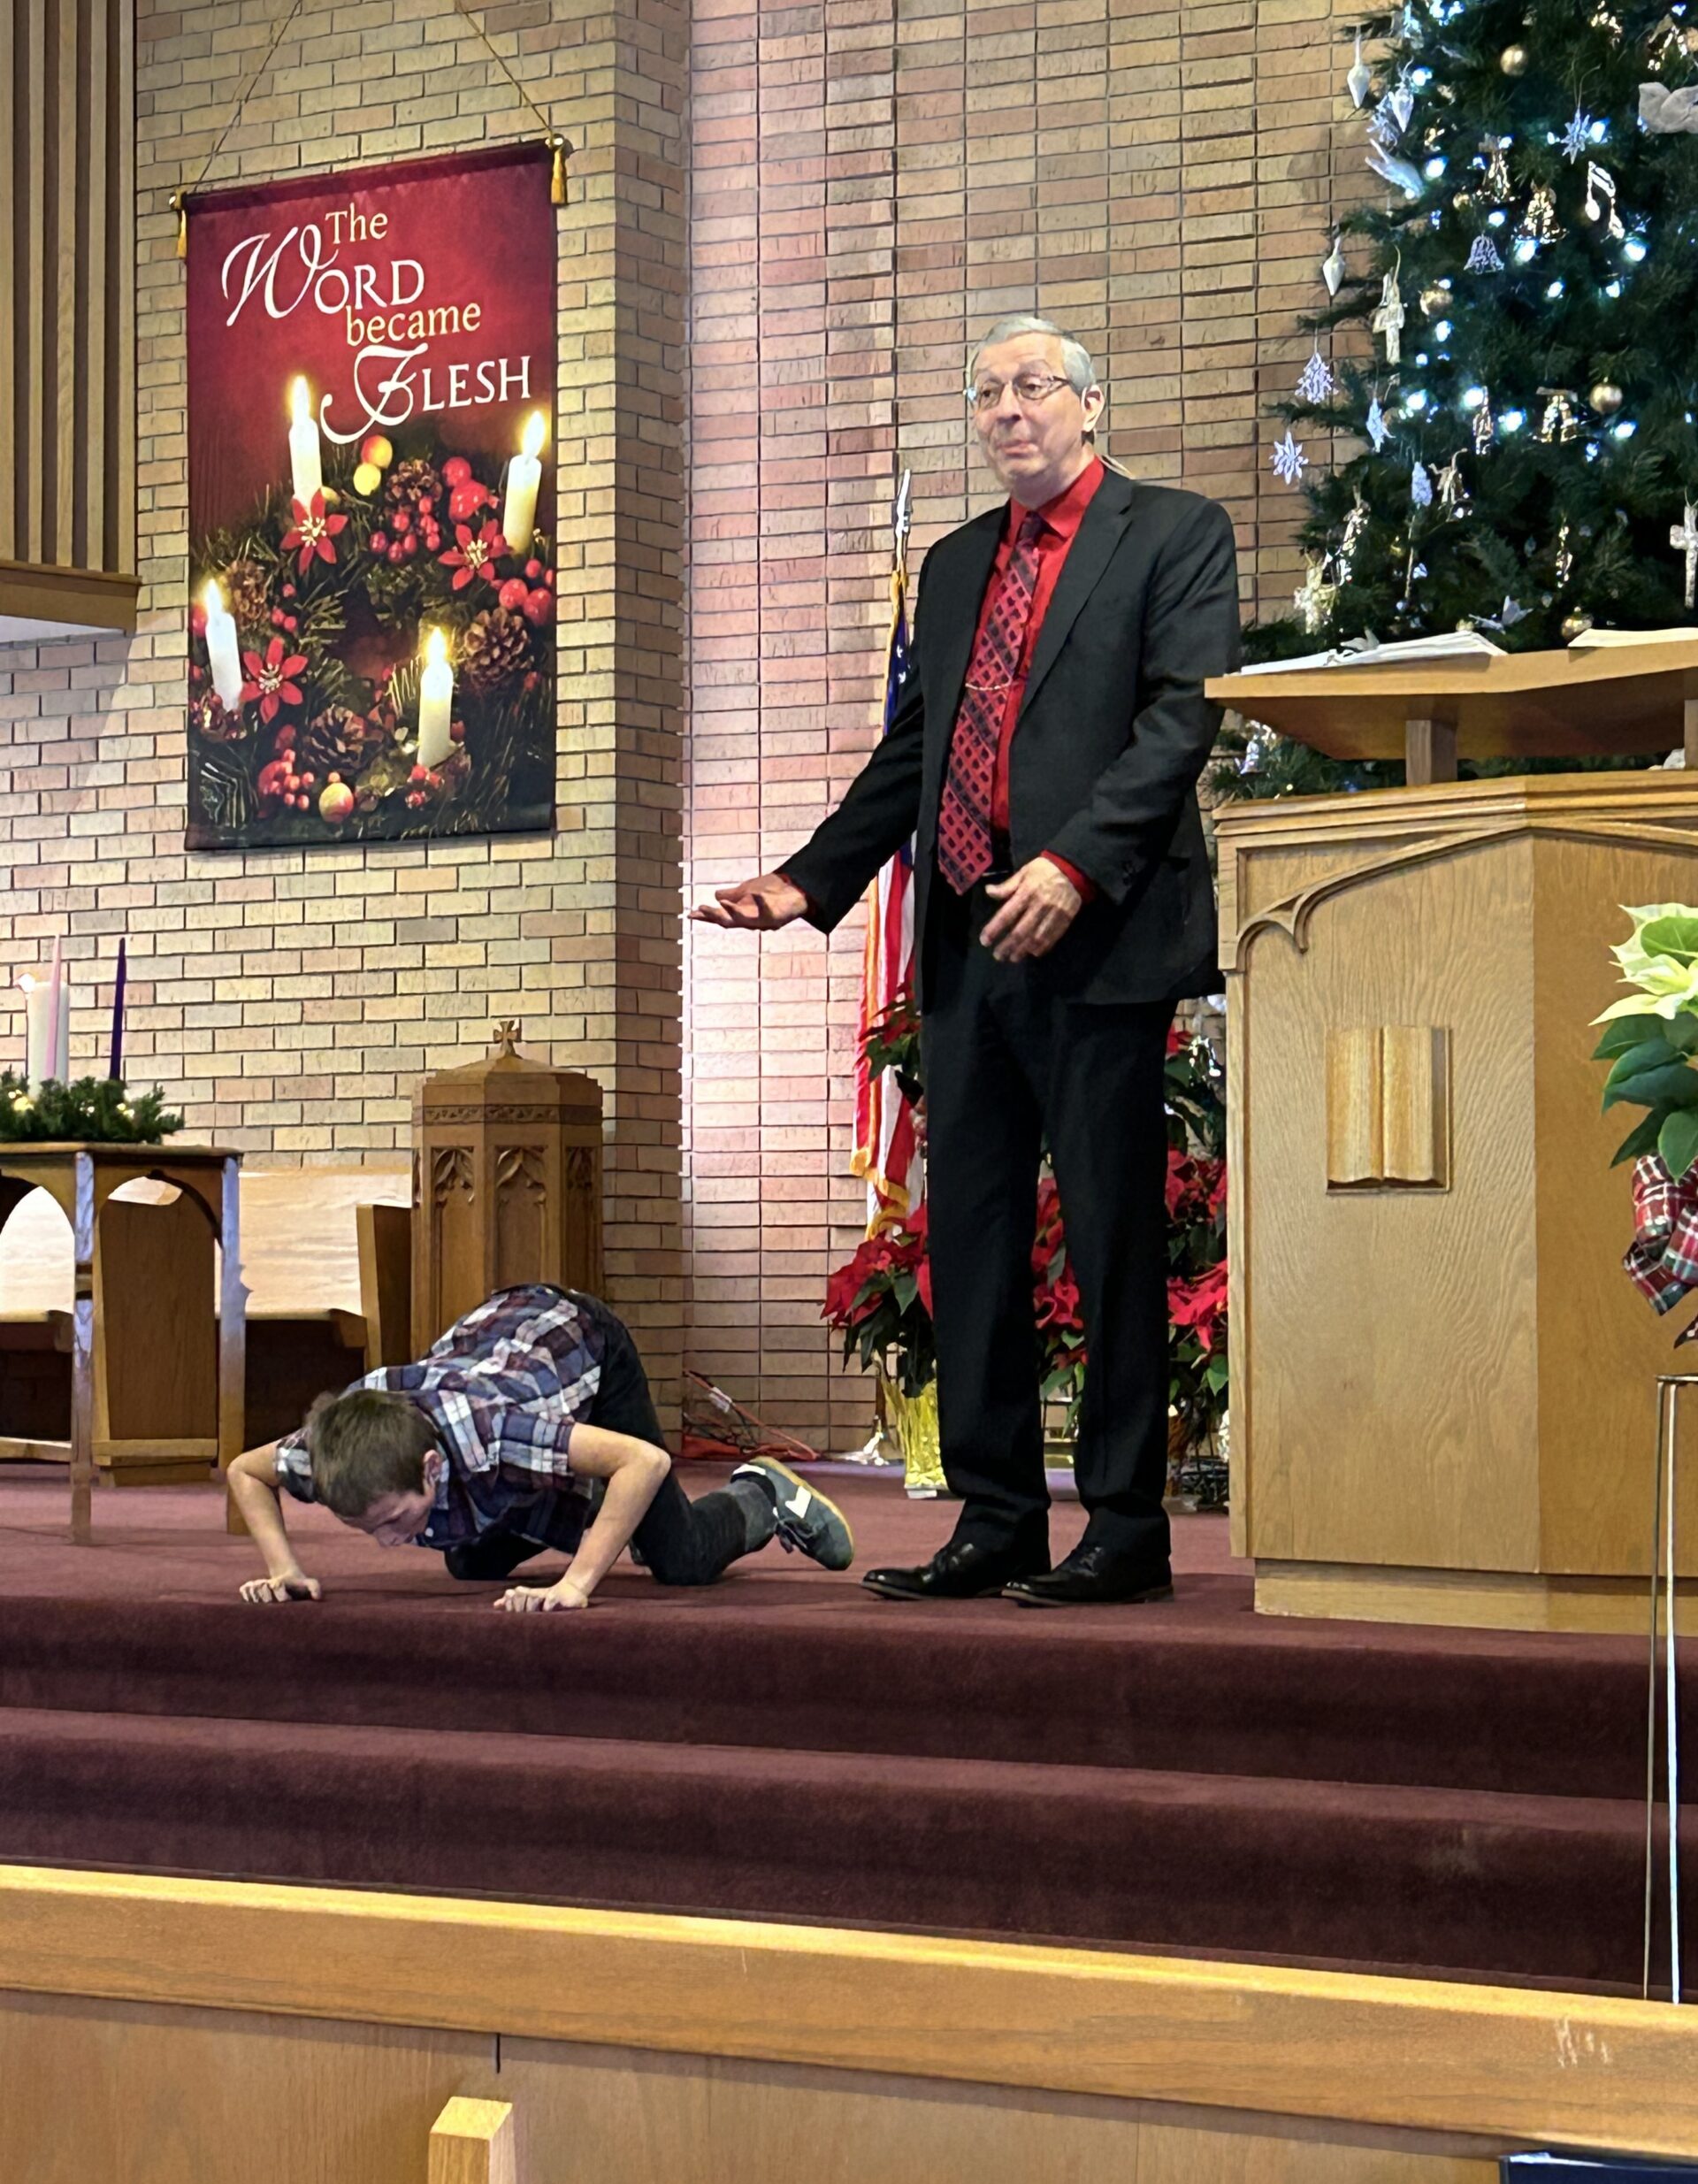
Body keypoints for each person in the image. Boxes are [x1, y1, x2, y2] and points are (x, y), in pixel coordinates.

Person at [692, 316, 1240, 1607]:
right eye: (985, 392)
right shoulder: (952, 567)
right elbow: (919, 747)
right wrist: (811, 877)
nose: (1007, 410)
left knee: (1109, 1238)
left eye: (1032, 387)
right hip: (965, 936)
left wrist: (1074, 865)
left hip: (1097, 934)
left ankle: (1125, 1528)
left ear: (1090, 405)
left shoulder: (1173, 533)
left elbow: (1182, 720)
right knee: (976, 1239)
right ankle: (997, 1517)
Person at [226, 1283, 853, 1609]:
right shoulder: (332, 1443)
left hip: (584, 1344)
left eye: (392, 1519)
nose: (388, 1542)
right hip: (501, 1345)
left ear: (431, 1467)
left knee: (680, 1558)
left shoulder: (496, 1432)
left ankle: (763, 1494)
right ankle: (605, 1510)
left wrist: (576, 1585)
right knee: (468, 1559)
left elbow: (646, 1460)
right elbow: (245, 1472)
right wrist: (285, 1569)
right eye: (367, 1529)